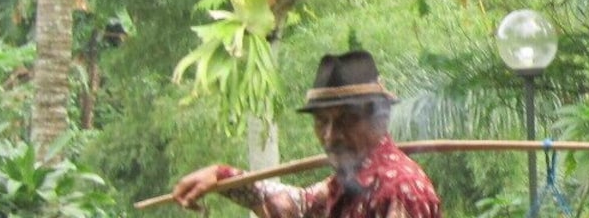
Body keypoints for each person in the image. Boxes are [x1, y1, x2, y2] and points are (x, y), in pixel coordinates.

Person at [170, 51, 441, 217]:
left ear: (379, 121)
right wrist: (221, 176)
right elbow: (297, 206)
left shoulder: (399, 191)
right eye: (322, 122)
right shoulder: (348, 183)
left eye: (345, 121)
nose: (330, 136)